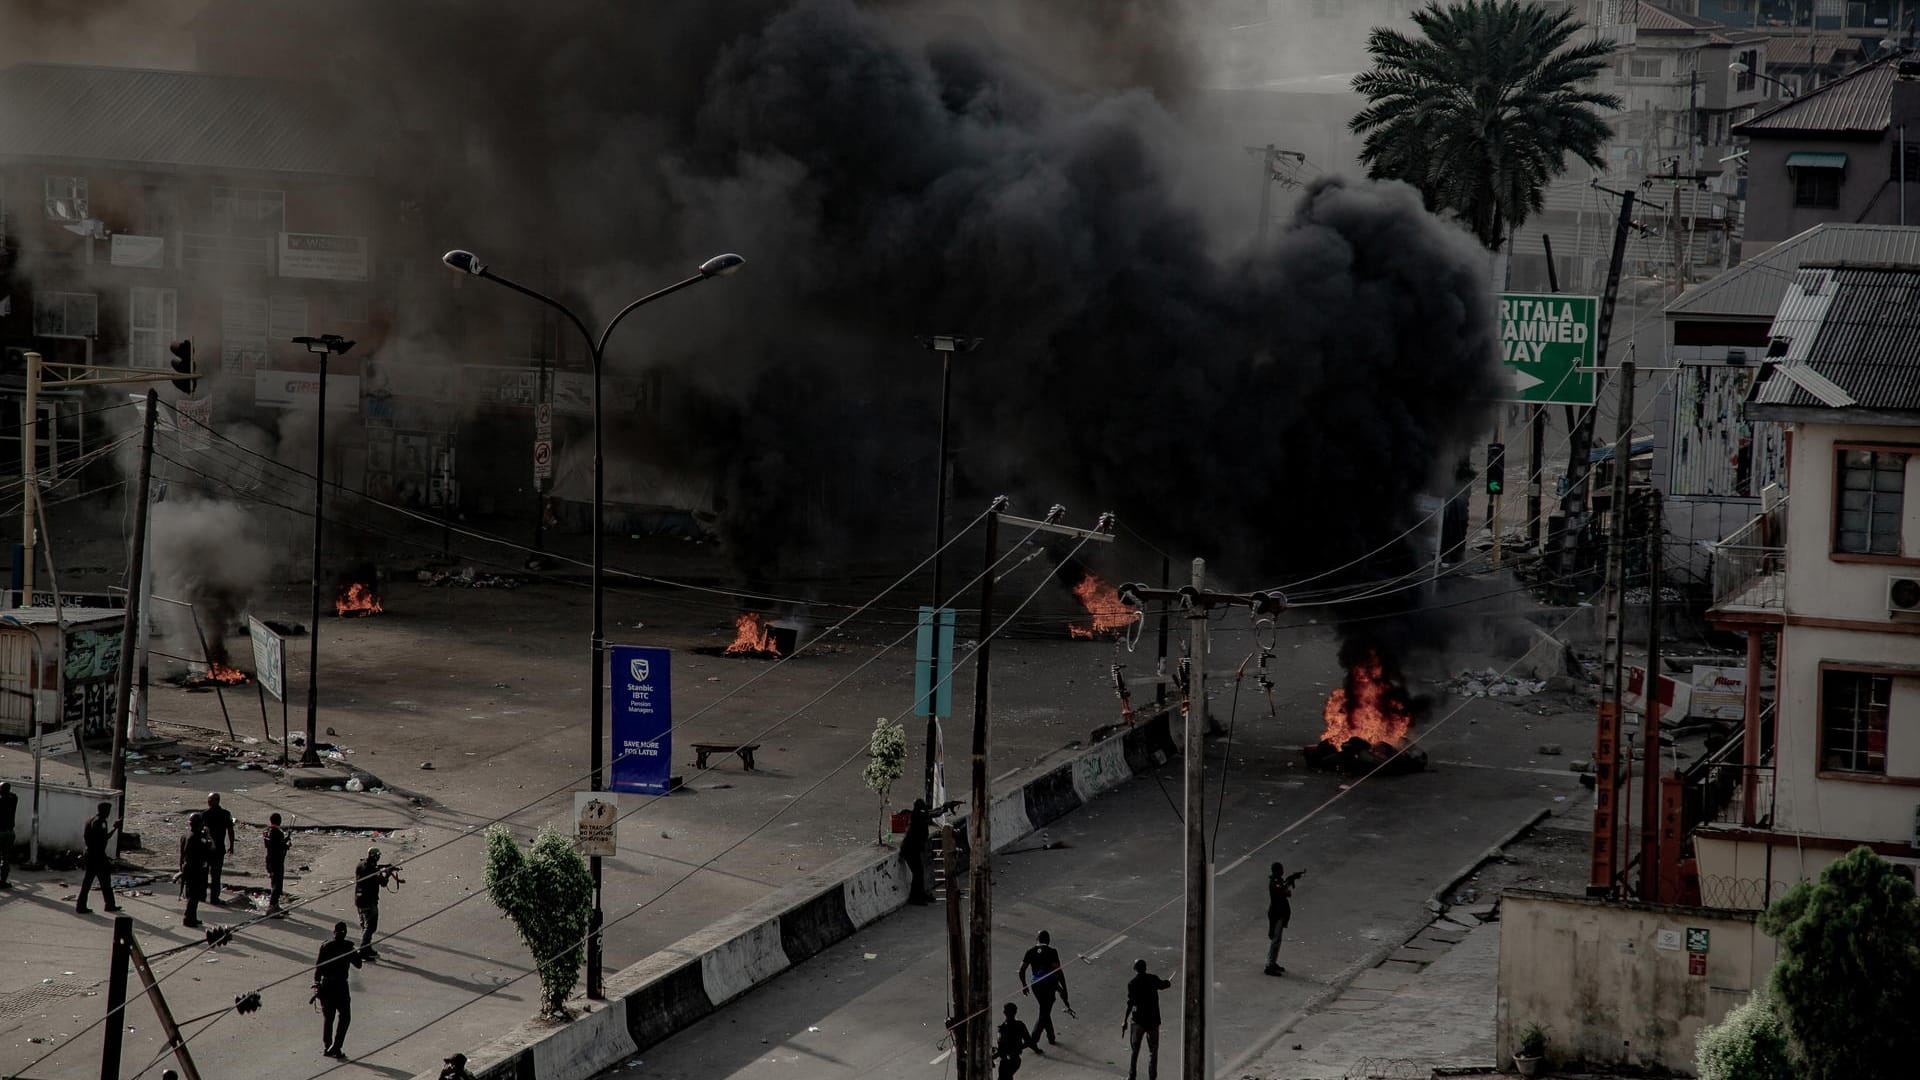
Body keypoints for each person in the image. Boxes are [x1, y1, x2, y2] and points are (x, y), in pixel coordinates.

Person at [313, 920, 362, 1058]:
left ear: (334, 932)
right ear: (345, 933)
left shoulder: (325, 946)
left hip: (326, 985)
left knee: (329, 1018)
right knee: (345, 1017)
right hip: (340, 986)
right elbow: (358, 964)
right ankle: (337, 1046)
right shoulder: (348, 947)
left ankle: (328, 1046)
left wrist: (317, 984)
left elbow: (318, 968)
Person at [1018, 930, 1074, 1050]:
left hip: (1036, 985)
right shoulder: (1052, 952)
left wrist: (1024, 985)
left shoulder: (1030, 951)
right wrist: (1064, 989)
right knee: (1044, 1011)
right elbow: (1059, 971)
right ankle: (1033, 1039)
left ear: (1037, 939)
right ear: (1048, 940)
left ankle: (1051, 1037)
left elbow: (1022, 969)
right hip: (1049, 984)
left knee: (1044, 1008)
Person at [1122, 959, 1171, 1080]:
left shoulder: (1132, 983)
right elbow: (1163, 985)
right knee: (1153, 1051)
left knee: (1135, 1050)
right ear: (1145, 967)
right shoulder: (1152, 979)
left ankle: (1131, 1075)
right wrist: (1168, 982)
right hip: (1153, 1021)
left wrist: (1125, 1020)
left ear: (1135, 969)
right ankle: (1152, 1077)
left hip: (1138, 1020)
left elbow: (1130, 1004)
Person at [75, 802, 119, 914]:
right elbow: (104, 838)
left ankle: (81, 905)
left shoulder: (90, 820)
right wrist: (115, 828)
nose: (109, 813)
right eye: (108, 811)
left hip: (91, 854)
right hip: (98, 855)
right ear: (104, 811)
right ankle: (109, 904)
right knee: (105, 881)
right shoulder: (100, 822)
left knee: (89, 882)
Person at [354, 847, 396, 958]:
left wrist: (383, 867)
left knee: (364, 925)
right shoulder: (372, 871)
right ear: (376, 857)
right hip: (369, 901)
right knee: (371, 927)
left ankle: (367, 947)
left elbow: (372, 866)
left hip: (359, 900)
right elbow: (383, 883)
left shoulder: (361, 864)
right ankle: (363, 950)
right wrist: (387, 873)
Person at [1265, 862, 1306, 976]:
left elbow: (1284, 890)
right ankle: (1269, 965)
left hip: (1280, 914)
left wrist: (1290, 880)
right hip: (1276, 914)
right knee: (1275, 940)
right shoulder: (1274, 883)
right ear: (1277, 871)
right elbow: (1282, 891)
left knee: (1277, 940)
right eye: (1280, 870)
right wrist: (1289, 881)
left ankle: (1273, 962)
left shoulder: (1278, 882)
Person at [178, 813, 213, 928]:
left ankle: (191, 917)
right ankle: (188, 918)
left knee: (191, 894)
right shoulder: (197, 838)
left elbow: (182, 854)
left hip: (188, 867)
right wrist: (208, 836)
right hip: (195, 869)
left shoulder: (186, 835)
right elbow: (210, 848)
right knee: (194, 895)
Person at [200, 793, 235, 904]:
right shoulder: (225, 814)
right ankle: (214, 898)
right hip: (219, 849)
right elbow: (230, 830)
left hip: (206, 849)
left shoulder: (205, 814)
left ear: (214, 801)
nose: (208, 802)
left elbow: (200, 832)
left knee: (204, 873)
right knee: (216, 875)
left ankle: (202, 895)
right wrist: (231, 845)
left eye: (210, 800)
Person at [901, 798, 932, 905]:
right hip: (910, 850)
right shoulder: (916, 818)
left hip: (914, 849)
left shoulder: (920, 817)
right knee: (917, 873)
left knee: (920, 872)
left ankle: (921, 894)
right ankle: (914, 898)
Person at [992, 1002, 1030, 1080]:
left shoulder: (1002, 1029)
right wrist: (1018, 1048)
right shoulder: (1020, 1025)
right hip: (1015, 1059)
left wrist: (992, 1057)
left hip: (1006, 1061)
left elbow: (1001, 1049)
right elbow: (1029, 1041)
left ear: (1004, 1013)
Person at [263, 813, 291, 915]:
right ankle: (272, 907)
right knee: (277, 884)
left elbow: (271, 844)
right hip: (277, 860)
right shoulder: (277, 832)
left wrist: (286, 840)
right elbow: (280, 846)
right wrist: (287, 844)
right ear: (279, 821)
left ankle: (275, 905)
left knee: (274, 882)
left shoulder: (267, 831)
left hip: (270, 859)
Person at [0, 781, 17, 889]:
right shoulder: (13, 799)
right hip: (10, 832)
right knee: (5, 858)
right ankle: (3, 881)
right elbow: (13, 795)